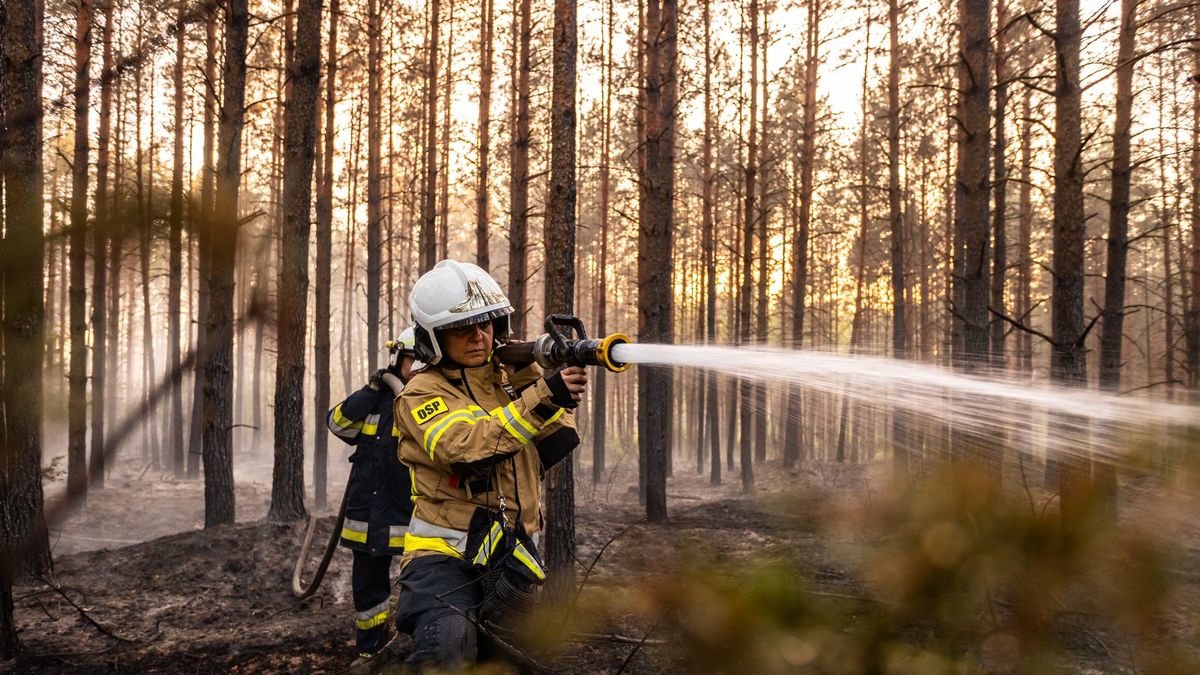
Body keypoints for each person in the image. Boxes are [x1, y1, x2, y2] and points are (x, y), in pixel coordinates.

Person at [392, 259, 588, 670]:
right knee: (447, 650)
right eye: (462, 328)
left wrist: (529, 376)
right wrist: (543, 396)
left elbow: (557, 442)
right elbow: (463, 447)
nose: (478, 337)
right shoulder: (420, 393)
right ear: (433, 337)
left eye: (485, 324)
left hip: (509, 554)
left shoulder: (507, 383)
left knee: (508, 663)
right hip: (444, 558)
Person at [326, 328, 419, 670]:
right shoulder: (376, 401)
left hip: (413, 517)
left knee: (419, 584)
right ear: (397, 360)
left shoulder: (432, 401)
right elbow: (338, 424)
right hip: (368, 517)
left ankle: (417, 647)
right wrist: (371, 390)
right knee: (368, 591)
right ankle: (371, 650)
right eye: (411, 360)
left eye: (424, 361)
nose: (417, 367)